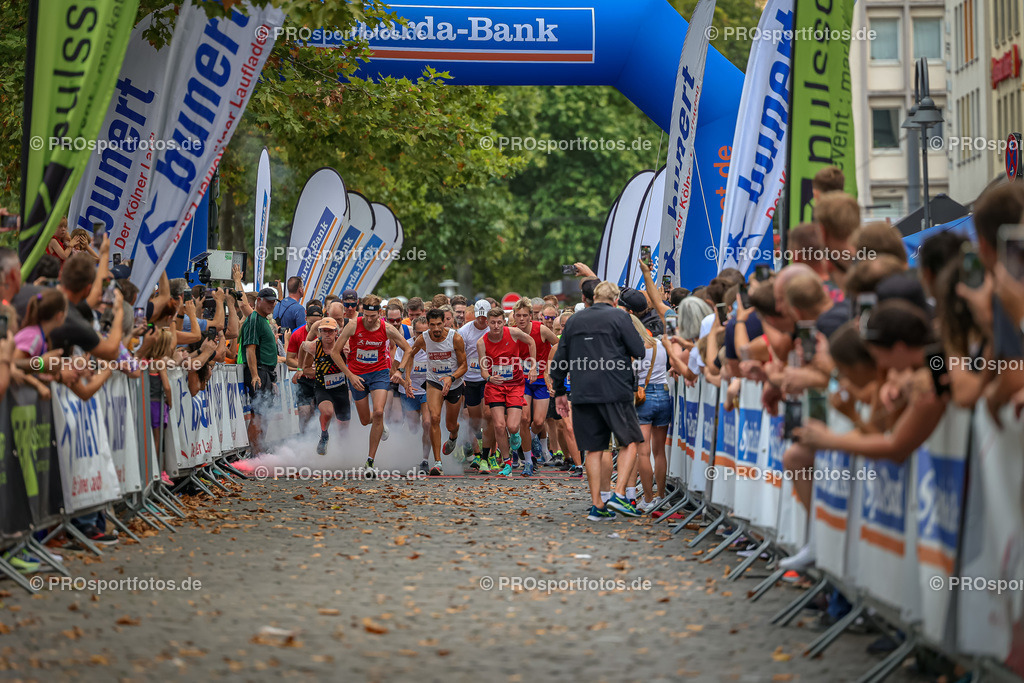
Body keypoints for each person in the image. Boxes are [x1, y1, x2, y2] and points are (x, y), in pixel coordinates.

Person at [549, 281, 646, 521]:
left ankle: (597, 506)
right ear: (615, 300)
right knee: (631, 440)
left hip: (583, 391)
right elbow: (639, 349)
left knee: (593, 448)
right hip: (615, 389)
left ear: (591, 298)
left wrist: (560, 391)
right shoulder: (619, 317)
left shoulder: (573, 321)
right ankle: (620, 494)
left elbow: (560, 360)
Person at [331, 295, 412, 474]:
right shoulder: (353, 325)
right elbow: (335, 352)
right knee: (365, 420)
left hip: (379, 373)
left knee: (378, 412)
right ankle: (380, 425)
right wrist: (350, 376)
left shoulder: (387, 328)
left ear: (380, 314)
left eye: (372, 316)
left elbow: (408, 349)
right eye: (366, 315)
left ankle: (370, 461)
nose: (368, 319)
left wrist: (400, 371)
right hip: (357, 375)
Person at [400, 309, 468, 475]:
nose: (436, 328)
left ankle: (454, 434)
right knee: (434, 418)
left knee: (450, 424)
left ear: (444, 322)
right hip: (433, 381)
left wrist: (451, 378)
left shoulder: (455, 338)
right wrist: (407, 377)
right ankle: (437, 462)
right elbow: (410, 355)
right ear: (428, 325)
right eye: (432, 325)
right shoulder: (423, 338)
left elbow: (464, 366)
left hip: (453, 383)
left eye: (439, 324)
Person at [478, 306, 537, 477]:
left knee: (512, 426)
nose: (496, 326)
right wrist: (489, 378)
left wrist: (533, 366)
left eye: (499, 322)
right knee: (498, 425)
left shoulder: (513, 332)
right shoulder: (481, 342)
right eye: (492, 323)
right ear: (487, 323)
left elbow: (531, 341)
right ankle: (507, 463)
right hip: (495, 386)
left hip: (515, 385)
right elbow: (483, 371)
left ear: (503, 322)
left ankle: (515, 434)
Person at [301, 316, 351, 455]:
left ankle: (343, 454)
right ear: (319, 332)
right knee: (327, 412)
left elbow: (353, 365)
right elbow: (304, 360)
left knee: (344, 426)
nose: (327, 334)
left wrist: (349, 358)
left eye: (330, 331)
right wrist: (301, 369)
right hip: (323, 388)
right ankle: (324, 435)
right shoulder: (314, 346)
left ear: (336, 332)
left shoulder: (343, 346)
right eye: (324, 331)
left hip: (341, 388)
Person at [240, 287, 280, 454]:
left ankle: (259, 450)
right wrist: (255, 374)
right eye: (268, 301)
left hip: (266, 372)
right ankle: (256, 453)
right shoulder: (255, 320)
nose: (271, 304)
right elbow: (250, 349)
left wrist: (272, 380)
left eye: (273, 302)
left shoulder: (262, 319)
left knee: (264, 413)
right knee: (258, 413)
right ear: (259, 301)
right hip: (259, 371)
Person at [459, 300, 494, 472]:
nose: (482, 320)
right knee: (474, 421)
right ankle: (480, 447)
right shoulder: (464, 331)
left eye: (485, 317)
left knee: (488, 414)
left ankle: (487, 456)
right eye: (479, 316)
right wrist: (461, 376)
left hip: (487, 379)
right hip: (470, 378)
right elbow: (460, 355)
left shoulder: (492, 329)